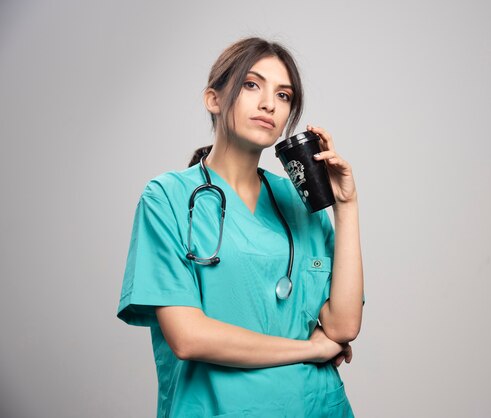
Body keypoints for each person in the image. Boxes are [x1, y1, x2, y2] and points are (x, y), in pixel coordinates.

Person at [117, 37, 364, 417]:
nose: (269, 103)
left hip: (316, 405)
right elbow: (188, 337)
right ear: (213, 99)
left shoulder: (300, 202)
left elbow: (343, 326)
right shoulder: (166, 198)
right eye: (252, 85)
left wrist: (345, 206)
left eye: (284, 96)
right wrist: (311, 349)